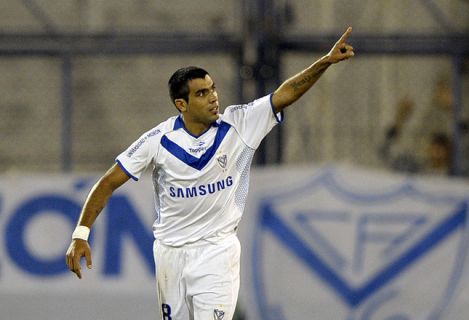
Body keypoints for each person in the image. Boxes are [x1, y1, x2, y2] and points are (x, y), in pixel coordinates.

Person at [65, 27, 355, 320]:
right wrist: (81, 234)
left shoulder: (239, 124)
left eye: (213, 88)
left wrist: (326, 61)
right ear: (182, 104)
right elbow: (108, 182)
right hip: (170, 254)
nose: (214, 97)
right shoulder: (158, 140)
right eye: (202, 93)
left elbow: (285, 94)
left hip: (217, 251)